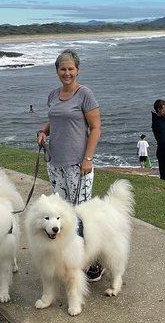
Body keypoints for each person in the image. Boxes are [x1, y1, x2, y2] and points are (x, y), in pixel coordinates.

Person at [36, 49, 103, 282]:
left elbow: (95, 128)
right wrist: (44, 132)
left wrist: (88, 159)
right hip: (55, 164)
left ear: (78, 70)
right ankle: (70, 259)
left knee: (82, 214)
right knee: (62, 214)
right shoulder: (53, 95)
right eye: (62, 69)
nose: (67, 73)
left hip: (78, 164)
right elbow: (54, 119)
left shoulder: (85, 94)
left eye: (71, 69)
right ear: (57, 71)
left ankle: (93, 262)